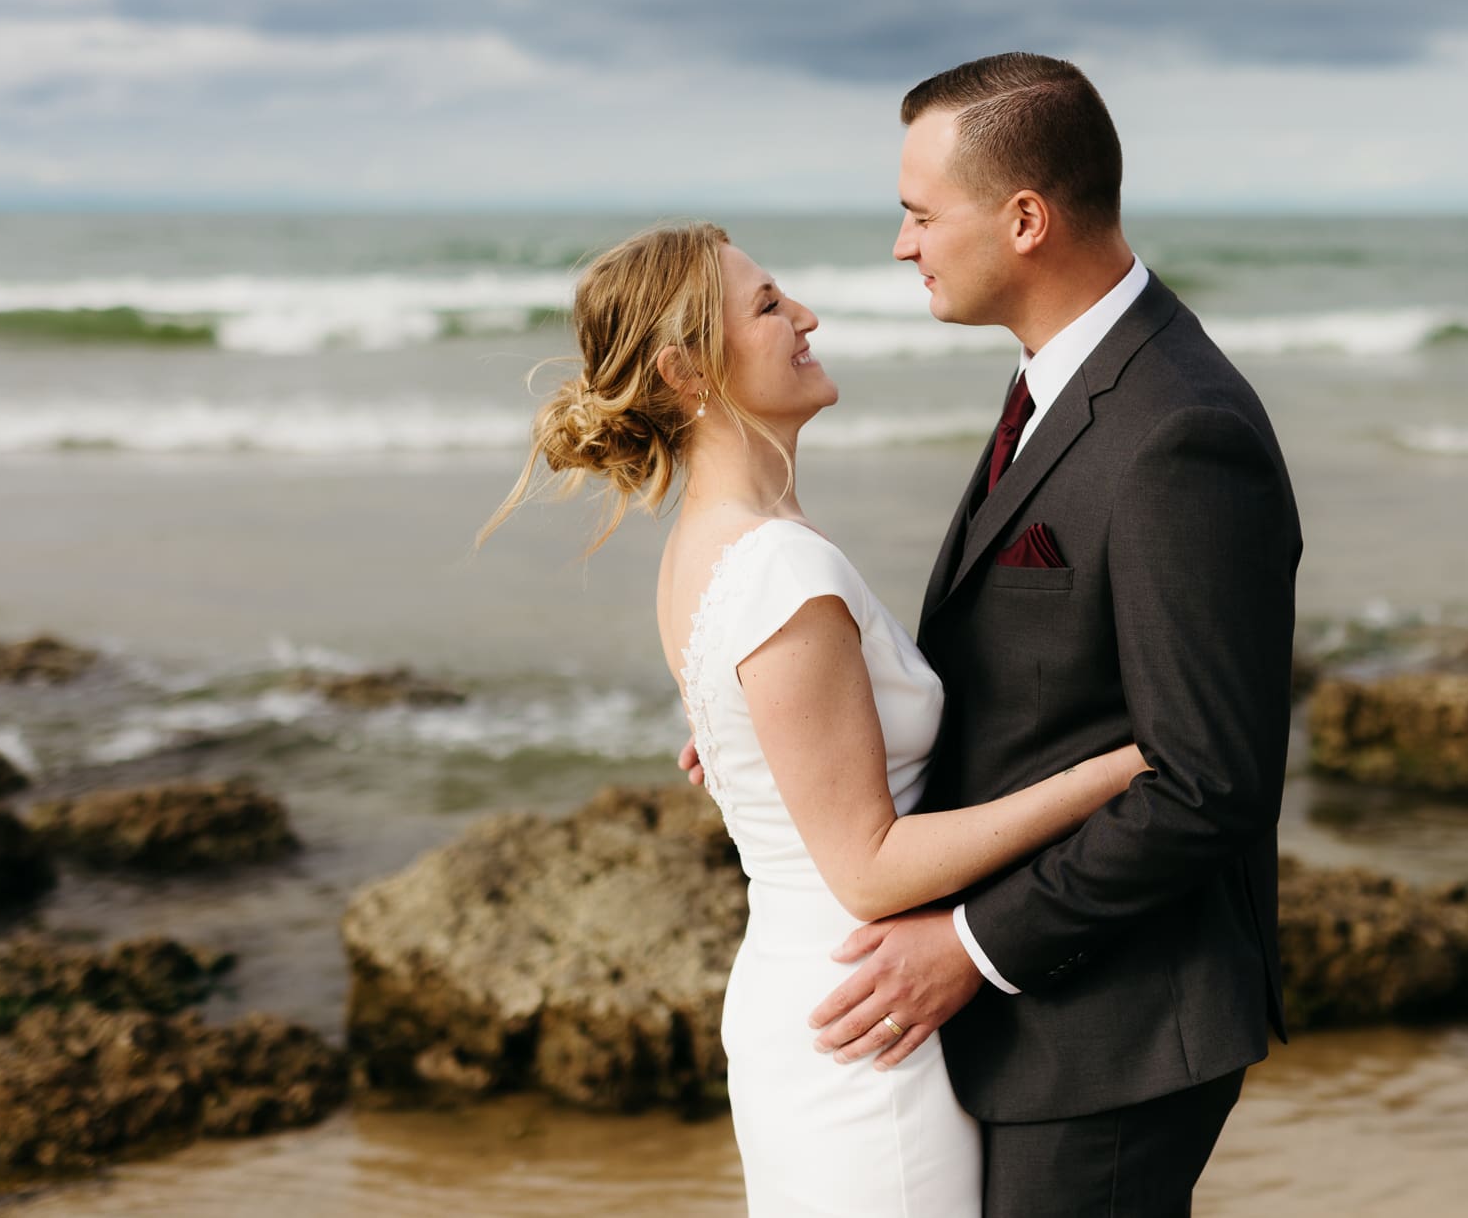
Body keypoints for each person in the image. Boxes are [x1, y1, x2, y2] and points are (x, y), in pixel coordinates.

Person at [479, 219, 1152, 1217]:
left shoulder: (715, 548)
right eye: (766, 306)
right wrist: (1114, 769)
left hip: (825, 993)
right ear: (686, 371)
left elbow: (783, 756)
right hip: (866, 1018)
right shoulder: (773, 565)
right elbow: (867, 866)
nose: (805, 316)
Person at [800, 52, 1304, 1216]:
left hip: (1114, 1032)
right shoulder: (1060, 382)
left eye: (920, 215)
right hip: (1049, 1024)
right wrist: (810, 721)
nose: (902, 245)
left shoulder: (1179, 432)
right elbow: (1023, 678)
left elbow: (1208, 784)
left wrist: (969, 947)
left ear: (1024, 219)